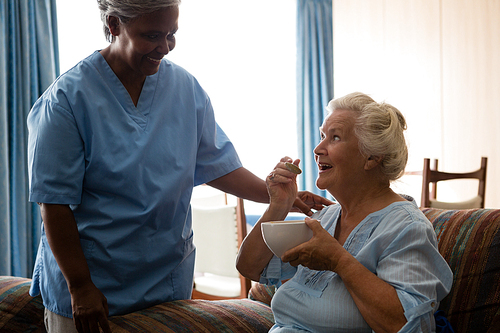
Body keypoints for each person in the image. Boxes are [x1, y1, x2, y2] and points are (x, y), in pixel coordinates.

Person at [26, 1, 333, 332]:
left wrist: (279, 198)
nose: (165, 47)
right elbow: (54, 204)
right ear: (114, 25)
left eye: (172, 34)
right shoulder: (67, 100)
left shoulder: (185, 89)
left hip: (165, 284)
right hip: (92, 286)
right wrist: (79, 286)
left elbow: (218, 165)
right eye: (153, 35)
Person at [236, 92, 454, 332]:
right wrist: (278, 206)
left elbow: (408, 325)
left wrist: (338, 260)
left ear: (371, 157)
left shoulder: (406, 227)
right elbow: (251, 268)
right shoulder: (325, 218)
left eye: (335, 137)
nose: (318, 148)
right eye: (322, 136)